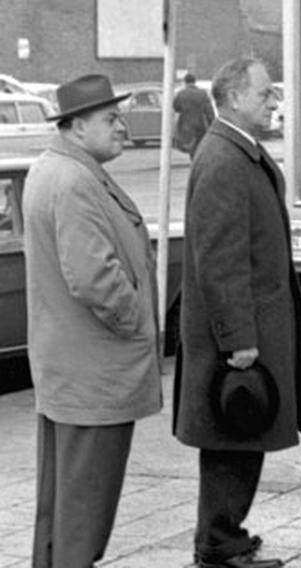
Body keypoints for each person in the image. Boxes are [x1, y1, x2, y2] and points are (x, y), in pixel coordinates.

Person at [22, 74, 162, 567]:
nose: (122, 127)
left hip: (71, 374)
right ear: (77, 126)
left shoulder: (54, 168)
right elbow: (93, 278)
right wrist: (138, 323)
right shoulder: (76, 180)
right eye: (110, 119)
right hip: (94, 377)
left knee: (60, 514)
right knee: (83, 516)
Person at [173, 57, 301, 568]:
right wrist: (237, 340)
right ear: (232, 98)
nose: (274, 103)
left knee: (242, 434)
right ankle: (218, 545)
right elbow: (220, 261)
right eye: (265, 93)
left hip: (252, 330)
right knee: (234, 435)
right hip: (240, 339)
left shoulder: (236, 151)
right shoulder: (225, 158)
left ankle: (225, 537)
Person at [173, 73, 215, 158]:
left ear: (185, 82)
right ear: (194, 82)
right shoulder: (202, 93)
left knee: (189, 145)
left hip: (186, 124)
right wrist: (212, 124)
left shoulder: (181, 93)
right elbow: (209, 111)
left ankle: (193, 160)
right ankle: (197, 159)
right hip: (200, 124)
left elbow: (176, 107)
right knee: (199, 146)